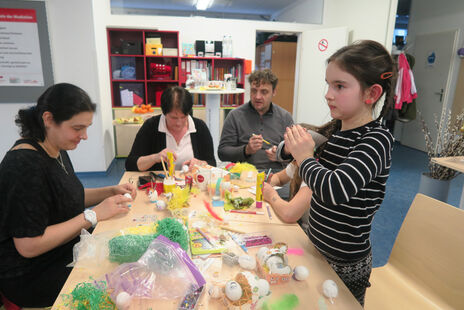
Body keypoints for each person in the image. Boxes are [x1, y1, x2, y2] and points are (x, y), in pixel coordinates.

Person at [0, 83, 136, 307]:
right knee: (118, 283)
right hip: (32, 274)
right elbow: (28, 246)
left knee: (128, 257)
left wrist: (110, 190)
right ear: (48, 119)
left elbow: (68, 197)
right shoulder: (24, 165)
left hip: (65, 249)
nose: (84, 136)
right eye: (77, 128)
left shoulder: (56, 148)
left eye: (86, 127)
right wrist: (92, 215)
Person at [283, 40, 396, 306]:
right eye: (328, 84)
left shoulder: (377, 140)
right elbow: (295, 154)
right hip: (317, 247)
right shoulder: (336, 132)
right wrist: (289, 150)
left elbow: (334, 189)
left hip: (346, 264)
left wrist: (304, 157)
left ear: (371, 94)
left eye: (340, 86)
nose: (328, 94)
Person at [125, 86, 216, 172]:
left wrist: (201, 163)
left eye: (184, 117)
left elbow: (212, 163)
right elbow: (130, 164)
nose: (179, 123)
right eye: (173, 118)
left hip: (192, 184)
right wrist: (155, 157)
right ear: (164, 113)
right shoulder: (151, 126)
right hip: (160, 184)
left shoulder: (199, 127)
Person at [218, 69, 293, 171]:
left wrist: (281, 155)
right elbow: (222, 153)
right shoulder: (235, 116)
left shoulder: (285, 117)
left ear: (274, 92)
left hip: (276, 177)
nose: (257, 97)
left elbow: (295, 154)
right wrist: (246, 150)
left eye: (264, 92)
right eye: (254, 91)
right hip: (243, 177)